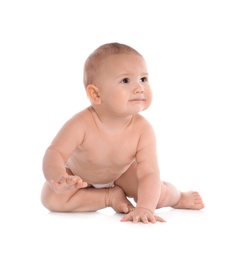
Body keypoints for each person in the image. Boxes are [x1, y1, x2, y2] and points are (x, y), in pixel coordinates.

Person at [41, 42, 204, 224]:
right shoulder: (80, 124)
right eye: (126, 81)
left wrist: (145, 207)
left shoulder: (143, 130)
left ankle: (179, 197)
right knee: (50, 199)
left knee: (154, 193)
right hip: (80, 177)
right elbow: (55, 152)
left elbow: (148, 172)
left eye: (143, 79)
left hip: (123, 175)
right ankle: (109, 197)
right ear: (96, 95)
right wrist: (58, 177)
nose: (139, 87)